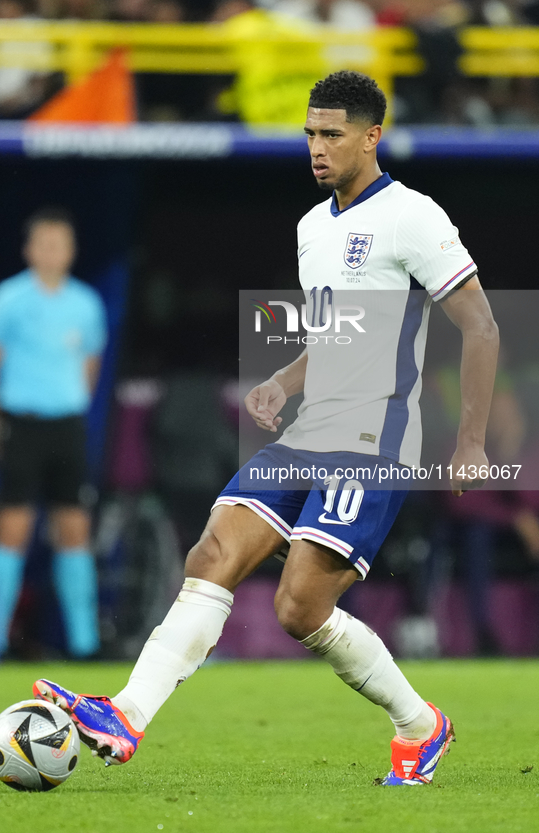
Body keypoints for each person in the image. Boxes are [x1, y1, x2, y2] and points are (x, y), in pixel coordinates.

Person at [32, 71, 499, 785]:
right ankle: (124, 713)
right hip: (311, 429)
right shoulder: (313, 226)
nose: (316, 147)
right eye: (310, 133)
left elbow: (481, 325)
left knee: (299, 605)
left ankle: (419, 723)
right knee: (213, 549)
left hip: (373, 439)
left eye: (332, 135)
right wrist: (284, 379)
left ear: (371, 136)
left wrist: (470, 440)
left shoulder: (414, 216)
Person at [0, 207, 107, 658]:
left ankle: (85, 645)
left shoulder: (85, 304)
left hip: (66, 426)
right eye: (43, 243)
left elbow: (89, 369)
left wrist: (68, 407)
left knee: (74, 528)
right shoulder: (7, 299)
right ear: (29, 249)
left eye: (59, 243)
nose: (51, 251)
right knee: (13, 528)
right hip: (22, 424)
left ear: (71, 250)